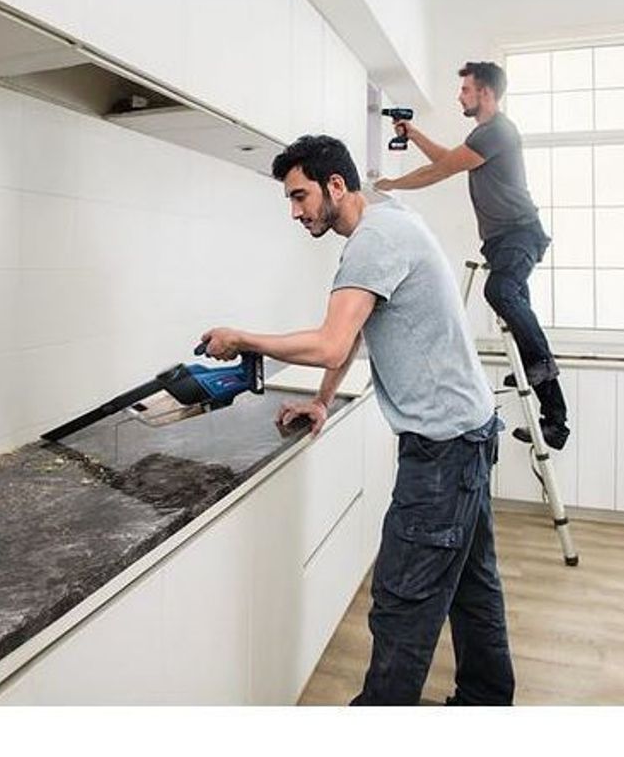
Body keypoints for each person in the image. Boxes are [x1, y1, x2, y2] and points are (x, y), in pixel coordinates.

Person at [200, 134, 515, 706]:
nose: (295, 212)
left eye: (300, 197)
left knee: (401, 603)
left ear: (335, 186)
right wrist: (323, 400)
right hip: (469, 435)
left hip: (443, 453)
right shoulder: (391, 219)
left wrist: (243, 338)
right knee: (473, 589)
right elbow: (352, 336)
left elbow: (330, 342)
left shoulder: (372, 241)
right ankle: (486, 702)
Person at [374, 61, 570, 451]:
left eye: (466, 89)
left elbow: (440, 171)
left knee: (499, 292)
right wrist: (414, 134)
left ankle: (541, 374)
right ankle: (555, 420)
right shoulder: (483, 135)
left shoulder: (497, 131)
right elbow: (447, 159)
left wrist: (391, 184)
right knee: (516, 309)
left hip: (519, 234)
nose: (459, 96)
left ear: (486, 93)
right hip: (502, 241)